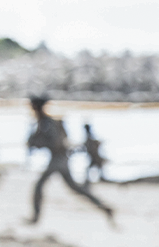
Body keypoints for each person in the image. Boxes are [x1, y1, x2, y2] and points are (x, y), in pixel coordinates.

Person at [26, 96, 114, 225]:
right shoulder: (42, 122)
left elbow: (56, 143)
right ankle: (104, 207)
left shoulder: (47, 123)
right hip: (59, 160)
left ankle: (35, 218)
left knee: (39, 186)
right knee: (75, 188)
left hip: (58, 160)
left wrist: (38, 143)